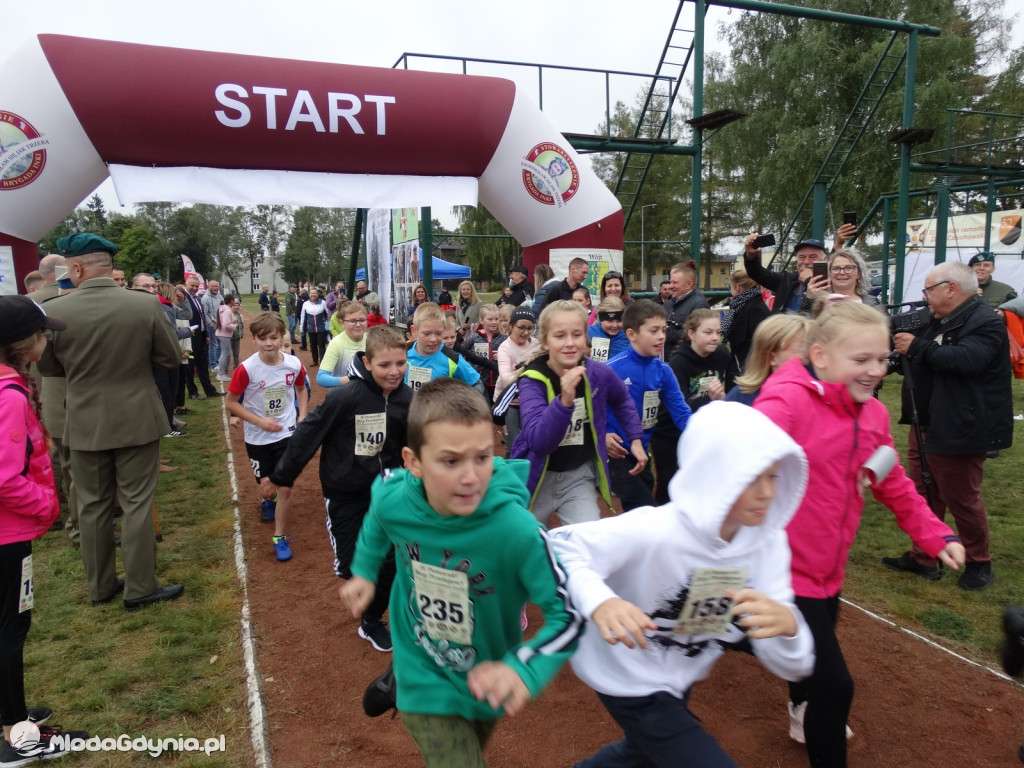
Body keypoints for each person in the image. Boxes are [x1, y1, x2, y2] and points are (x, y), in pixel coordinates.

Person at [755, 301, 966, 768]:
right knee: (834, 685)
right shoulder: (784, 403)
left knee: (812, 666)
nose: (876, 369)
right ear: (821, 356)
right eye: (862, 359)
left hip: (827, 572)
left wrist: (936, 535)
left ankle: (799, 705)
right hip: (781, 573)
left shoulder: (873, 416)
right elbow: (736, 471)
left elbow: (892, 481)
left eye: (883, 358)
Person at [549, 401, 814, 768]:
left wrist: (789, 628)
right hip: (627, 670)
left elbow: (794, 664)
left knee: (640, 756)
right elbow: (561, 546)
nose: (767, 493)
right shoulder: (658, 530)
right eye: (752, 478)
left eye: (773, 477)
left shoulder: (767, 544)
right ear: (715, 476)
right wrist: (601, 602)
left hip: (680, 671)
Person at [339, 378, 583, 768]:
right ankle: (406, 677)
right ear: (413, 462)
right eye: (451, 461)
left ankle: (394, 682)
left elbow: (567, 613)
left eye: (482, 457)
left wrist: (524, 668)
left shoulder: (516, 532)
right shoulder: (396, 497)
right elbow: (378, 518)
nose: (470, 476)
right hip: (420, 666)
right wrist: (365, 572)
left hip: (481, 675)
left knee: (472, 740)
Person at [38, 233, 185, 611]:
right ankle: (140, 586)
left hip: (83, 419)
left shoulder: (57, 311)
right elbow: (169, 358)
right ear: (107, 265)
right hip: (137, 416)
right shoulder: (144, 304)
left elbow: (49, 368)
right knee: (137, 502)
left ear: (76, 267)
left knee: (91, 505)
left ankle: (101, 586)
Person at [264, 326, 410, 652]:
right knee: (352, 566)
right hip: (345, 493)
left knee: (390, 562)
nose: (394, 371)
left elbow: (414, 443)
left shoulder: (407, 400)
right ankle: (359, 579)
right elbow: (308, 433)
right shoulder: (346, 397)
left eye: (400, 363)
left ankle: (371, 620)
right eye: (385, 365)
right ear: (367, 362)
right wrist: (282, 475)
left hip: (387, 494)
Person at [883, 261, 1011, 591]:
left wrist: (917, 346)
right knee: (924, 492)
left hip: (960, 426)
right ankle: (925, 555)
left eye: (928, 290)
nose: (925, 297)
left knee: (961, 498)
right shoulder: (939, 319)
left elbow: (968, 360)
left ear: (951, 288)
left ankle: (979, 561)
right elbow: (921, 358)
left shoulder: (985, 321)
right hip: (925, 420)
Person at [0, 295, 89, 762]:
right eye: (41, 333)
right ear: (22, 343)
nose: (46, 340)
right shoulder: (9, 398)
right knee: (11, 628)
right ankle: (16, 735)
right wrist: (47, 506)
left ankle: (9, 711)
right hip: (7, 536)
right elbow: (4, 478)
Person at [511, 301, 645, 527]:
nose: (570, 343)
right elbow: (539, 442)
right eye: (560, 336)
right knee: (527, 540)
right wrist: (564, 402)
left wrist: (635, 438)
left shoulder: (598, 372)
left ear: (586, 338)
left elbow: (621, 399)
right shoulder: (532, 380)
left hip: (578, 476)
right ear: (545, 341)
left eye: (577, 334)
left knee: (588, 537)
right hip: (538, 476)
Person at [225, 312, 309, 562]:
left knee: (286, 487)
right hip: (257, 438)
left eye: (274, 338)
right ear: (253, 339)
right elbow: (231, 402)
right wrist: (259, 421)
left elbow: (301, 389)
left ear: (282, 337)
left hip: (286, 432)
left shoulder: (293, 364)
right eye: (263, 339)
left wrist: (302, 415)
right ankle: (268, 500)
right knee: (266, 488)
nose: (269, 343)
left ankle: (279, 537)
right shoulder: (246, 369)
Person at [605, 300, 691, 511]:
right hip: (615, 456)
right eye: (654, 331)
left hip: (642, 453)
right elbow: (589, 407)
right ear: (631, 334)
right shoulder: (612, 370)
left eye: (663, 330)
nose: (661, 336)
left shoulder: (664, 372)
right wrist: (603, 434)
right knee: (644, 510)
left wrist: (703, 434)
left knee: (640, 513)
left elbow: (682, 414)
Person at [651, 309, 738, 505]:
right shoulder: (678, 362)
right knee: (670, 482)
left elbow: (730, 386)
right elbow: (679, 407)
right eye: (708, 332)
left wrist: (722, 398)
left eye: (718, 332)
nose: (715, 337)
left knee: (701, 479)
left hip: (701, 428)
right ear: (691, 334)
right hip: (668, 432)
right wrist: (709, 398)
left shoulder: (722, 354)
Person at [742, 224, 857, 315]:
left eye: (813, 257)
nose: (806, 262)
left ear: (825, 260)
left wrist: (809, 280)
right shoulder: (787, 280)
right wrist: (751, 255)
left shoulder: (833, 284)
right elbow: (757, 273)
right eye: (801, 257)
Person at [725, 314, 810, 406]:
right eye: (799, 352)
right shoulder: (740, 401)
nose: (806, 359)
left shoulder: (813, 391)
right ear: (771, 357)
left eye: (808, 352)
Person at [405, 303, 482, 394]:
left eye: (438, 333)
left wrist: (462, 401)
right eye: (427, 334)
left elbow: (476, 384)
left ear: (444, 330)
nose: (433, 339)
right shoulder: (403, 353)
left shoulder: (452, 358)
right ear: (414, 330)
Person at [494, 307, 539, 453]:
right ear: (511, 326)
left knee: (531, 442)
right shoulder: (505, 348)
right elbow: (506, 378)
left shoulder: (537, 345)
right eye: (521, 328)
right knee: (513, 445)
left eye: (530, 328)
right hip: (508, 403)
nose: (525, 332)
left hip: (530, 400)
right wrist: (527, 371)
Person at [800, 248, 881, 312]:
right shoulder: (819, 303)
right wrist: (809, 300)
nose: (842, 272)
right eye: (836, 268)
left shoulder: (872, 304)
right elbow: (803, 325)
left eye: (848, 268)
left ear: (859, 274)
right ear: (829, 273)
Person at [721, 269, 770, 372]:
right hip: (743, 365)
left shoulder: (754, 309)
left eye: (731, 287)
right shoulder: (743, 305)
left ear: (738, 288)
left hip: (747, 368)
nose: (730, 290)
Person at [182, 275, 222, 400]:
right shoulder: (184, 299)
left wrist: (206, 335)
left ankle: (210, 390)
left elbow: (202, 317)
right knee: (190, 365)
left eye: (196, 286)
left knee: (203, 365)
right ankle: (192, 392)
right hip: (191, 337)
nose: (194, 288)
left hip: (202, 336)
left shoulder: (197, 299)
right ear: (186, 285)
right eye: (192, 286)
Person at [663, 261, 710, 359]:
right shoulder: (668, 304)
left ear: (689, 284)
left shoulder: (699, 305)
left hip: (687, 361)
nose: (670, 286)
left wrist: (666, 331)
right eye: (670, 282)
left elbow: (697, 335)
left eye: (675, 282)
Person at [317, 301, 369, 388]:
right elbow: (321, 378)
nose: (358, 324)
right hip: (343, 393)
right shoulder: (336, 343)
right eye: (352, 321)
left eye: (362, 320)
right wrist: (353, 380)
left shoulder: (372, 340)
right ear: (342, 323)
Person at [461, 305, 506, 402]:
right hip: (480, 381)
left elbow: (511, 356)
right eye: (490, 319)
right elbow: (461, 352)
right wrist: (469, 362)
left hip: (498, 381)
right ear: (481, 320)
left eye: (496, 319)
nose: (494, 322)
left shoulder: (504, 338)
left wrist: (502, 356)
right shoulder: (474, 337)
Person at [586, 297, 628, 363]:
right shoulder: (587, 333)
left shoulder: (629, 336)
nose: (615, 325)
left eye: (619, 321)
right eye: (610, 321)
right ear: (600, 319)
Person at [299, 287, 330, 366]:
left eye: (315, 293)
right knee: (313, 345)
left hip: (321, 327)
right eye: (311, 293)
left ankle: (323, 362)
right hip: (311, 328)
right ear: (309, 294)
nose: (313, 295)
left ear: (317, 294)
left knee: (321, 345)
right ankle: (315, 360)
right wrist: (301, 327)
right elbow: (302, 316)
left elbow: (328, 314)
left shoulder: (323, 302)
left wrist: (328, 325)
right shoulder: (306, 304)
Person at [201, 280, 224, 372]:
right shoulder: (205, 298)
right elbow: (204, 313)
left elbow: (223, 308)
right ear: (208, 287)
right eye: (212, 286)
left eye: (216, 286)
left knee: (220, 344)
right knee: (213, 345)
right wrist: (211, 324)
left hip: (220, 324)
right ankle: (213, 365)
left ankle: (219, 362)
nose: (214, 288)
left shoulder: (220, 296)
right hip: (211, 325)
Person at [215, 293, 238, 382]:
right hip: (224, 335)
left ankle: (222, 372)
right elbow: (226, 325)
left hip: (222, 334)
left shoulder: (222, 309)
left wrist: (232, 321)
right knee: (225, 354)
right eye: (234, 300)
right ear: (231, 301)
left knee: (227, 353)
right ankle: (221, 373)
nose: (234, 302)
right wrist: (234, 326)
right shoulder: (227, 310)